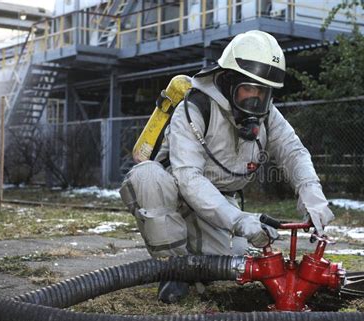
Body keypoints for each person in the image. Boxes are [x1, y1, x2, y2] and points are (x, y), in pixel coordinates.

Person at [120, 30, 334, 303]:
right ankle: (172, 269)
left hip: (220, 203)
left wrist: (313, 198)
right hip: (177, 196)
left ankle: (198, 263)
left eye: (262, 91)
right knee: (147, 176)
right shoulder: (194, 108)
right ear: (228, 80)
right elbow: (189, 179)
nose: (255, 99)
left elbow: (294, 153)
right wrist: (241, 221)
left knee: (230, 264)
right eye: (248, 89)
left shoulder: (267, 114)